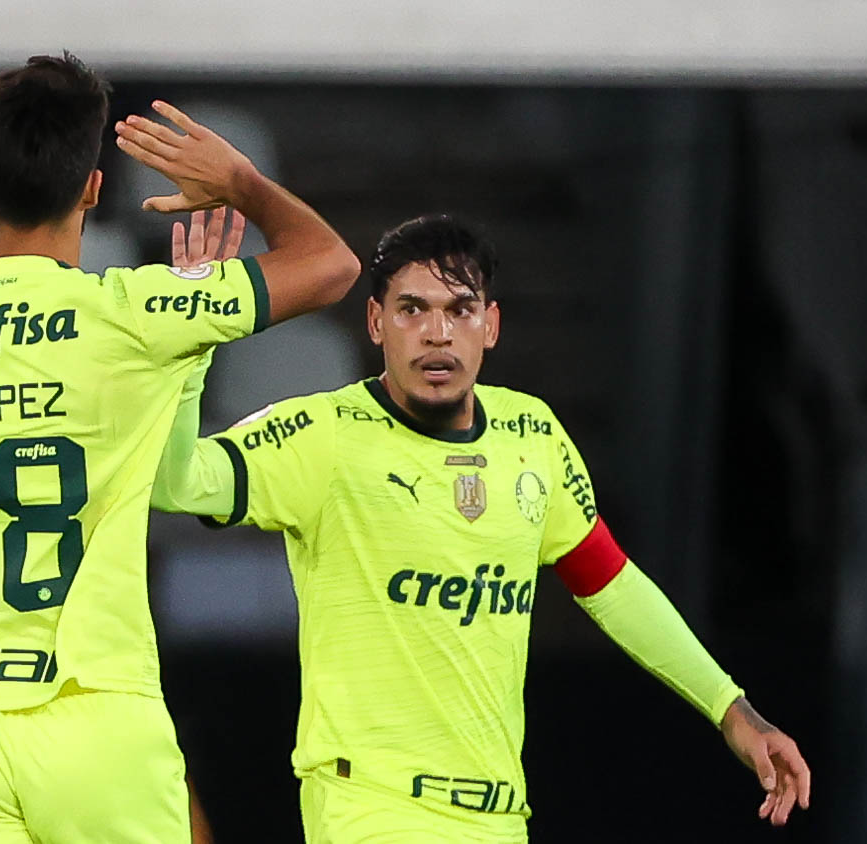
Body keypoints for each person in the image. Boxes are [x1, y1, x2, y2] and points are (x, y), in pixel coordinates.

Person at [0, 53, 359, 843]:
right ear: (92, 187)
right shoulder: (134, 315)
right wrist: (240, 183)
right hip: (96, 717)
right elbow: (331, 266)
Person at [153, 213, 811, 842]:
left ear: (490, 325)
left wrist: (732, 710)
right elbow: (178, 483)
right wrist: (190, 345)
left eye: (460, 309)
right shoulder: (324, 435)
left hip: (497, 816)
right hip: (372, 807)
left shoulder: (533, 434)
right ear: (376, 322)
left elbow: (612, 586)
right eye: (412, 309)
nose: (437, 333)